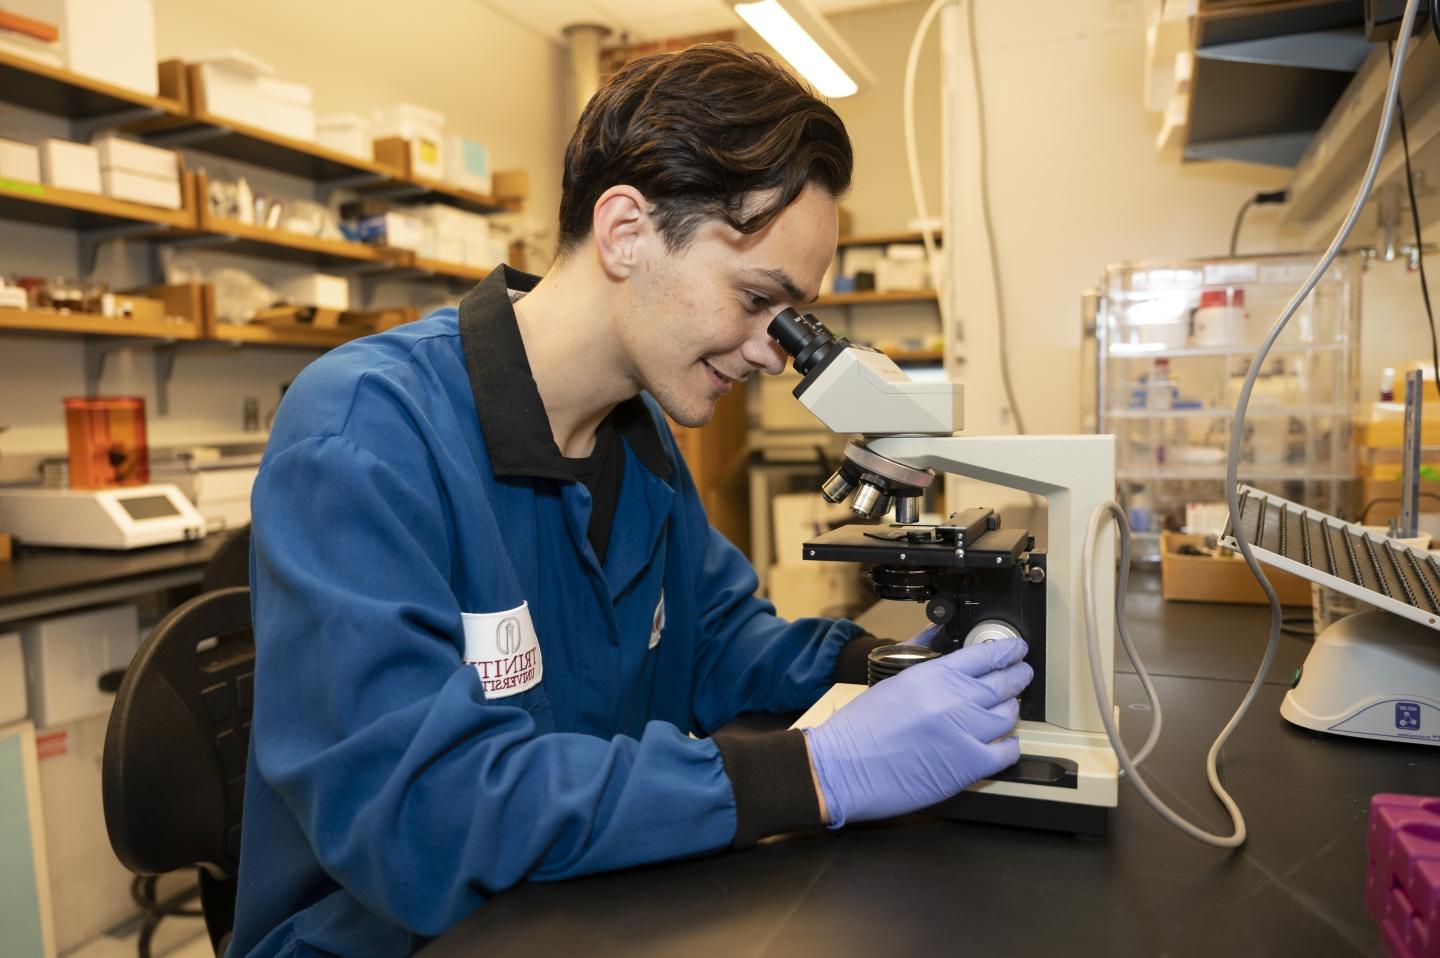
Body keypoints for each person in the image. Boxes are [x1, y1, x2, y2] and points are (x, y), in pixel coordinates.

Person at [232, 42, 1032, 958]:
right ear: (625, 233)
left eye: (794, 317)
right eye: (756, 299)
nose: (777, 353)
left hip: (577, 910)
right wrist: (817, 770)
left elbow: (721, 645)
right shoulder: (365, 434)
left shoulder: (637, 434)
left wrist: (883, 667)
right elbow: (424, 818)